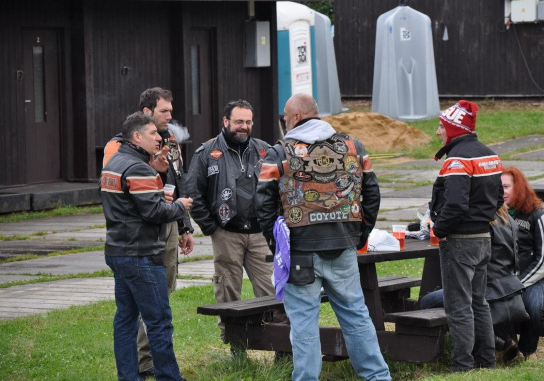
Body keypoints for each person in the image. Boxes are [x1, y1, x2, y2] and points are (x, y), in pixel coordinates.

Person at [255, 94, 391, 381]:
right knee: (356, 315)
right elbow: (372, 195)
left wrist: (279, 243)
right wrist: (359, 236)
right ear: (315, 114)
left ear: (292, 118)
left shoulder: (279, 152)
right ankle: (378, 377)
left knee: (304, 324)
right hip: (343, 246)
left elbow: (262, 203)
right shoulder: (355, 147)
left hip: (301, 253)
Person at [103, 87, 194, 378]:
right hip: (142, 254)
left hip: (119, 250)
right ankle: (169, 376)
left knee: (126, 320)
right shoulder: (137, 167)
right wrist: (179, 206)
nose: (160, 137)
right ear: (137, 136)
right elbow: (153, 212)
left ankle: (128, 376)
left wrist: (157, 184)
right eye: (153, 133)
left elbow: (133, 203)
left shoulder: (117, 163)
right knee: (159, 322)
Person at [185, 99, 275, 344]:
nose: (243, 127)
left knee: (272, 290)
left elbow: (279, 188)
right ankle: (234, 344)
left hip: (260, 235)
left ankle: (278, 342)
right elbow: (193, 192)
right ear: (226, 122)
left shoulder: (266, 150)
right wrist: (211, 227)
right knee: (227, 291)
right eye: (238, 122)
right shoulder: (206, 153)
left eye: (248, 122)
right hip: (226, 234)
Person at [429, 100, 504, 372]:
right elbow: (498, 199)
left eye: (441, 126)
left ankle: (462, 367)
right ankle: (487, 361)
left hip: (459, 242)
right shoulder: (490, 155)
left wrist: (438, 231)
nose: (438, 132)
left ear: (454, 129)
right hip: (484, 238)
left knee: (459, 307)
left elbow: (456, 205)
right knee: (479, 303)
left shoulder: (457, 160)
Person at [419, 204, 523, 363]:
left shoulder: (479, 223)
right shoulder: (509, 219)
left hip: (488, 286)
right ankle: (495, 345)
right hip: (506, 285)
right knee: (471, 302)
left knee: (431, 301)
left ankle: (496, 343)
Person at [498, 166, 544, 361]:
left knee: (533, 306)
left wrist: (519, 284)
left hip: (538, 280)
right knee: (491, 302)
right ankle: (506, 346)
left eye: (506, 186)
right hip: (504, 279)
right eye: (498, 187)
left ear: (519, 188)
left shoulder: (540, 216)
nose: (502, 191)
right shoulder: (495, 215)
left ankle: (525, 352)